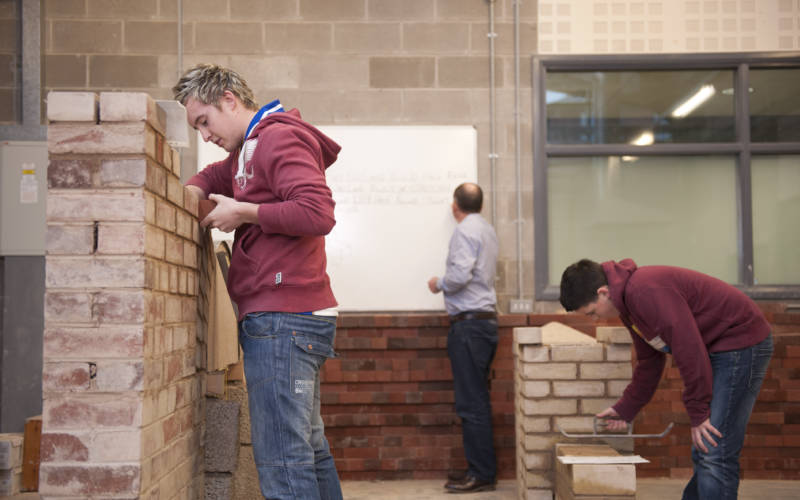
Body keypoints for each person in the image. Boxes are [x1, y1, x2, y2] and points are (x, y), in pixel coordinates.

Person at [173, 64, 343, 500]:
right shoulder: (248, 149)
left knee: (283, 463)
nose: (204, 135)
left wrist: (243, 213)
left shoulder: (276, 138)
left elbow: (317, 213)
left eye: (204, 121)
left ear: (229, 98)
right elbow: (214, 176)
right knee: (307, 450)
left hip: (283, 320)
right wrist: (191, 191)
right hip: (290, 319)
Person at [559, 258, 773, 500]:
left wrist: (698, 410)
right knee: (705, 449)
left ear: (603, 292)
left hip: (741, 343)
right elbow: (650, 362)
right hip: (717, 347)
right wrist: (626, 409)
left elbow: (688, 349)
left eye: (592, 313)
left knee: (715, 450)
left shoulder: (644, 292)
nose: (595, 320)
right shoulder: (628, 306)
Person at [428, 183, 499, 494]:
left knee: (471, 404)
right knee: (477, 401)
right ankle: (480, 469)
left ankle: (481, 473)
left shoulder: (464, 231)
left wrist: (438, 283)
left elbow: (459, 276)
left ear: (455, 205)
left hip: (469, 327)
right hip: (482, 325)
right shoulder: (487, 229)